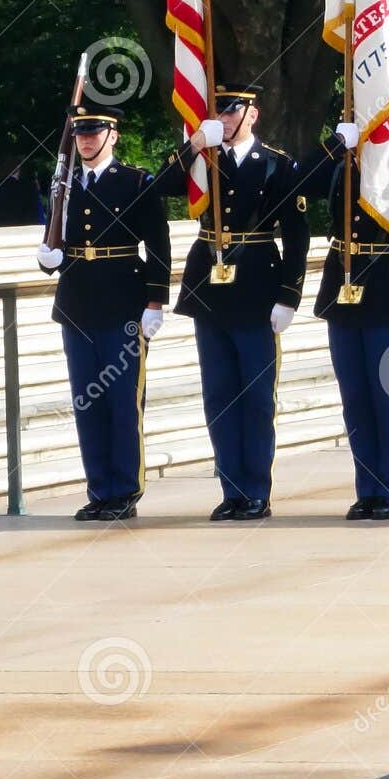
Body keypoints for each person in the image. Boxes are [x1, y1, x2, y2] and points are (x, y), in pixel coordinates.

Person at [155, 87, 309, 521]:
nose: (222, 117)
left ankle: (256, 489)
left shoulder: (276, 163)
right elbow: (158, 187)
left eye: (231, 110)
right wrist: (194, 146)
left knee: (257, 397)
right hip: (209, 286)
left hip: (258, 283)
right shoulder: (202, 160)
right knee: (219, 395)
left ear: (252, 115)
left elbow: (297, 236)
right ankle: (232, 489)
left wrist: (289, 295)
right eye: (218, 110)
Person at [35, 107, 170, 521]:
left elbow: (159, 246)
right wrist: (47, 258)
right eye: (80, 134)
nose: (87, 140)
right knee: (87, 403)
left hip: (123, 305)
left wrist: (154, 301)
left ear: (114, 135)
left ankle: (125, 490)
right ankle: (99, 489)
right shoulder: (66, 185)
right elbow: (54, 240)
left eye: (95, 132)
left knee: (122, 402)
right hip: (77, 306)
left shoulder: (136, 181)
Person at [297, 120, 389, 521]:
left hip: (386, 294)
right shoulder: (338, 169)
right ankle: (366, 488)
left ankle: (388, 489)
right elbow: (297, 179)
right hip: (342, 292)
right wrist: (336, 143)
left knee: (384, 398)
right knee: (355, 401)